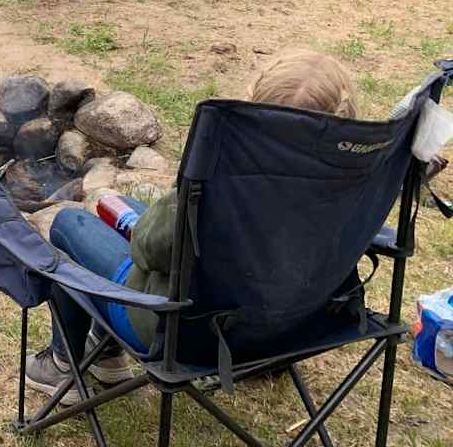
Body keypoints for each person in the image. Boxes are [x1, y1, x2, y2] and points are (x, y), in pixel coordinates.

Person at [25, 49, 358, 404]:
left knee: (69, 223)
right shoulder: (354, 189)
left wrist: (161, 217)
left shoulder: (222, 181)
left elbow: (148, 249)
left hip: (180, 332)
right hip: (286, 330)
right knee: (137, 214)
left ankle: (63, 364)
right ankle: (103, 353)